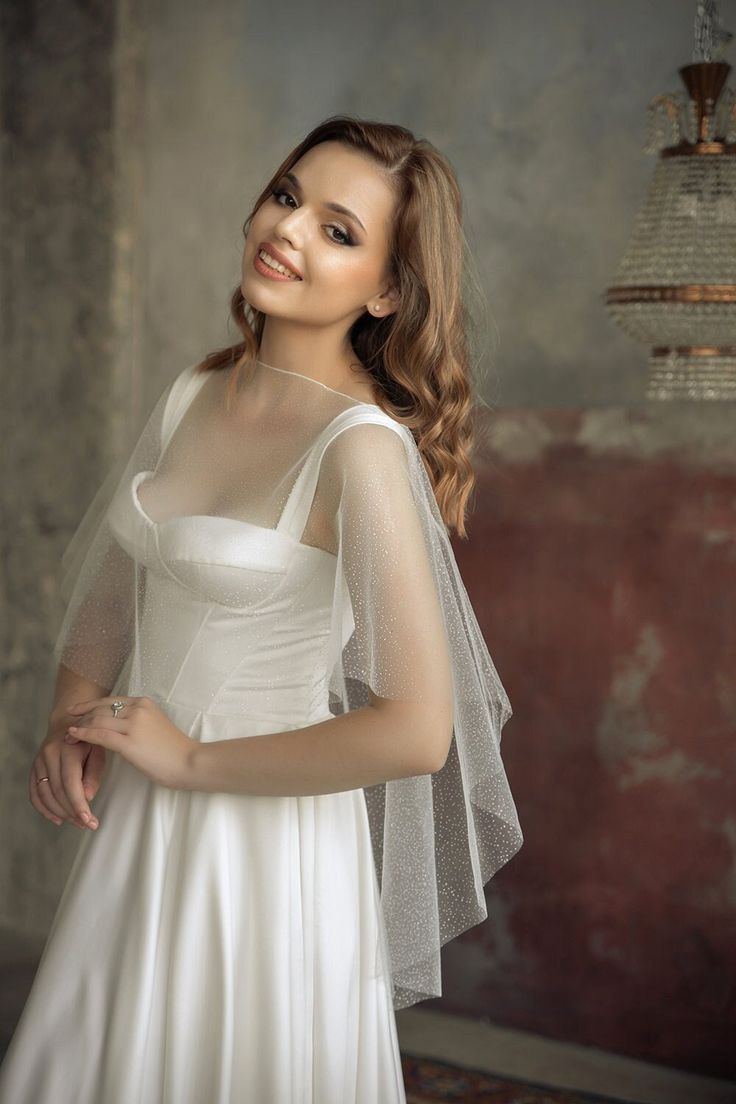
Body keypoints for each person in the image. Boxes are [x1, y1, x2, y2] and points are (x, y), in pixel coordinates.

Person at [0, 115, 523, 1104]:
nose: (287, 231)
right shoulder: (195, 389)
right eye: (286, 196)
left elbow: (416, 732)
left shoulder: (359, 451)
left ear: (387, 289)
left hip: (263, 844)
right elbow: (123, 577)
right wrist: (72, 718)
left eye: (338, 229)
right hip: (140, 816)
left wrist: (191, 760)